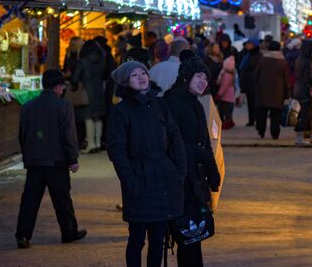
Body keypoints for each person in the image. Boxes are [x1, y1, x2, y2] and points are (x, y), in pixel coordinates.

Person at [106, 61, 187, 267]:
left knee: (158, 239)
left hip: (164, 177)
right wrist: (130, 181)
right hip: (139, 179)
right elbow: (117, 151)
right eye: (134, 75)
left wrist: (179, 172)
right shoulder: (120, 111)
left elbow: (174, 137)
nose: (141, 77)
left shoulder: (160, 105)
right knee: (137, 239)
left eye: (143, 72)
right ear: (125, 82)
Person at [15, 70, 86, 249]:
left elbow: (22, 135)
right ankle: (69, 232)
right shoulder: (64, 106)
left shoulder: (28, 106)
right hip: (57, 161)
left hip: (35, 162)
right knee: (62, 199)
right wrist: (73, 159)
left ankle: (23, 235)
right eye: (62, 86)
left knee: (30, 200)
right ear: (58, 87)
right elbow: (69, 135)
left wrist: (28, 154)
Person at [164, 51, 221, 267]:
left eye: (206, 78)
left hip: (195, 178)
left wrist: (212, 171)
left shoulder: (196, 103)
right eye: (199, 76)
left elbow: (204, 142)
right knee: (186, 232)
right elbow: (170, 142)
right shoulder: (172, 102)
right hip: (179, 178)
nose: (203, 82)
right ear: (186, 76)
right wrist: (198, 155)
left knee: (195, 231)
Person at [73, 40, 107, 154]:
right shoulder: (102, 60)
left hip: (87, 92)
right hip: (99, 90)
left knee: (88, 117)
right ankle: (97, 143)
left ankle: (90, 144)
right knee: (98, 117)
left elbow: (75, 78)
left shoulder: (82, 61)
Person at [253, 41, 290, 139]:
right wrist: (288, 92)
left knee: (262, 113)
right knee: (276, 115)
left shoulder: (262, 59)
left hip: (262, 91)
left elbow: (255, 74)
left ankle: (261, 131)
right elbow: (286, 78)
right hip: (278, 92)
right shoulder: (282, 61)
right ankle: (275, 133)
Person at [62, 37, 86, 148]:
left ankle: (79, 140)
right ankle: (75, 140)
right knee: (72, 115)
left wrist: (70, 75)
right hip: (70, 86)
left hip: (78, 88)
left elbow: (78, 73)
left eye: (73, 45)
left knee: (78, 115)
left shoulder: (81, 58)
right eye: (70, 44)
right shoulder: (69, 55)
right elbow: (66, 69)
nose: (71, 46)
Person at [239, 37, 262, 126]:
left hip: (254, 82)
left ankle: (256, 119)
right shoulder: (247, 54)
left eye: (249, 44)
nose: (247, 46)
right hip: (248, 82)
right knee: (250, 102)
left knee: (255, 102)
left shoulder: (257, 55)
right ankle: (251, 120)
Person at [217, 55, 237, 130]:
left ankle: (227, 122)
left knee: (224, 110)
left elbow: (224, 86)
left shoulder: (226, 75)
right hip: (230, 96)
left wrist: (219, 94)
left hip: (225, 96)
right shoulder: (232, 74)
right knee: (228, 110)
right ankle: (229, 121)